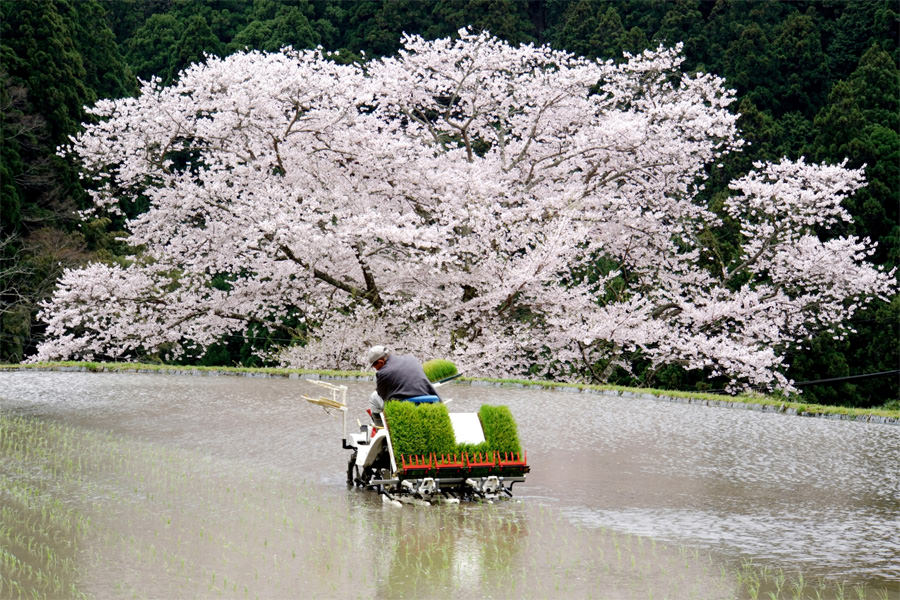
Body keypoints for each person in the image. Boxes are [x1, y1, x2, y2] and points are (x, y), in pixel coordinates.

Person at [366, 345, 439, 414]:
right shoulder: (411, 358)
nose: (375, 369)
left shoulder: (382, 373)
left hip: (405, 406)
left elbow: (383, 396)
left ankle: (380, 425)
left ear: (380, 362)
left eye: (374, 366)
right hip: (429, 400)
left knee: (374, 397)